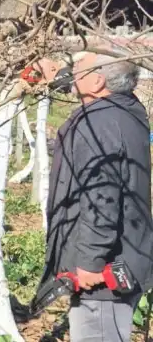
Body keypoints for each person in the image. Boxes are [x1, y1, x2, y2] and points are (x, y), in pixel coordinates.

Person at [36, 51, 153, 342]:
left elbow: (102, 197)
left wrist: (90, 260)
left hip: (103, 275)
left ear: (98, 81)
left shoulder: (97, 123)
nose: (71, 71)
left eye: (78, 69)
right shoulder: (124, 112)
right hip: (129, 251)